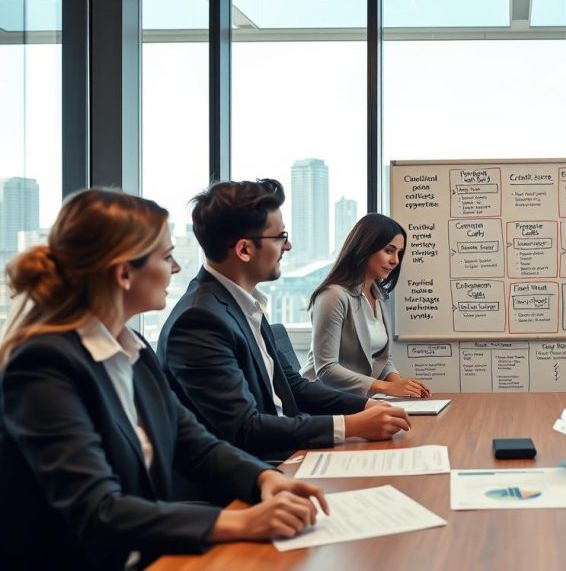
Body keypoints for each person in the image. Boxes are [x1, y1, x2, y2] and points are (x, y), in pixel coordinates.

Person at [0, 190, 328, 570]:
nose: (175, 269)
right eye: (167, 256)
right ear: (124, 273)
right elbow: (98, 508)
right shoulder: (43, 365)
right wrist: (240, 521)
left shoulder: (131, 347)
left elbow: (194, 442)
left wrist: (263, 479)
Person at [158, 179, 410, 463]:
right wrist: (350, 426)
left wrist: (369, 405)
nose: (288, 246)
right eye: (280, 237)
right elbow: (245, 428)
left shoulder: (244, 304)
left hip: (288, 450)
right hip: (259, 468)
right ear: (244, 250)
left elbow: (294, 387)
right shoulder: (198, 321)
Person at [302, 213, 430, 398]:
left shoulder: (378, 295)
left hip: (356, 399)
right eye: (389, 250)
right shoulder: (333, 296)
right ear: (366, 247)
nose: (395, 260)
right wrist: (386, 388)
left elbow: (381, 358)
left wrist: (401, 385)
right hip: (321, 400)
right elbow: (326, 369)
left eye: (399, 253)